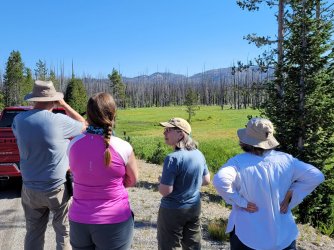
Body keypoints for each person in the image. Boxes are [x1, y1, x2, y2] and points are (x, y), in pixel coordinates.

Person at [213, 118, 325, 250]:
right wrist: (292, 192)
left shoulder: (238, 162)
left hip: (248, 234)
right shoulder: (286, 160)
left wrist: (240, 201)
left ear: (246, 141)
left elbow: (220, 180)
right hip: (283, 235)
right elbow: (316, 176)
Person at [12, 80, 86, 250]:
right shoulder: (59, 121)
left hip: (30, 187)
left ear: (33, 98)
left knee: (33, 232)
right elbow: (84, 125)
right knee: (63, 232)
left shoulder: (18, 120)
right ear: (54, 99)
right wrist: (64, 104)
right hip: (56, 188)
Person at [67, 92, 138, 250]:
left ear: (89, 115)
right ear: (113, 114)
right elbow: (132, 180)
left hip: (79, 220)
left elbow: (77, 172)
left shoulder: (73, 144)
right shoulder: (123, 146)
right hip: (114, 221)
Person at [157, 117, 211, 250]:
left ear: (181, 134)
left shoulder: (172, 158)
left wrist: (161, 182)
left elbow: (165, 191)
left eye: (168, 130)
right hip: (194, 207)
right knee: (193, 245)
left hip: (172, 210)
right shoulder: (199, 154)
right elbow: (206, 180)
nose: (164, 133)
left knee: (169, 245)